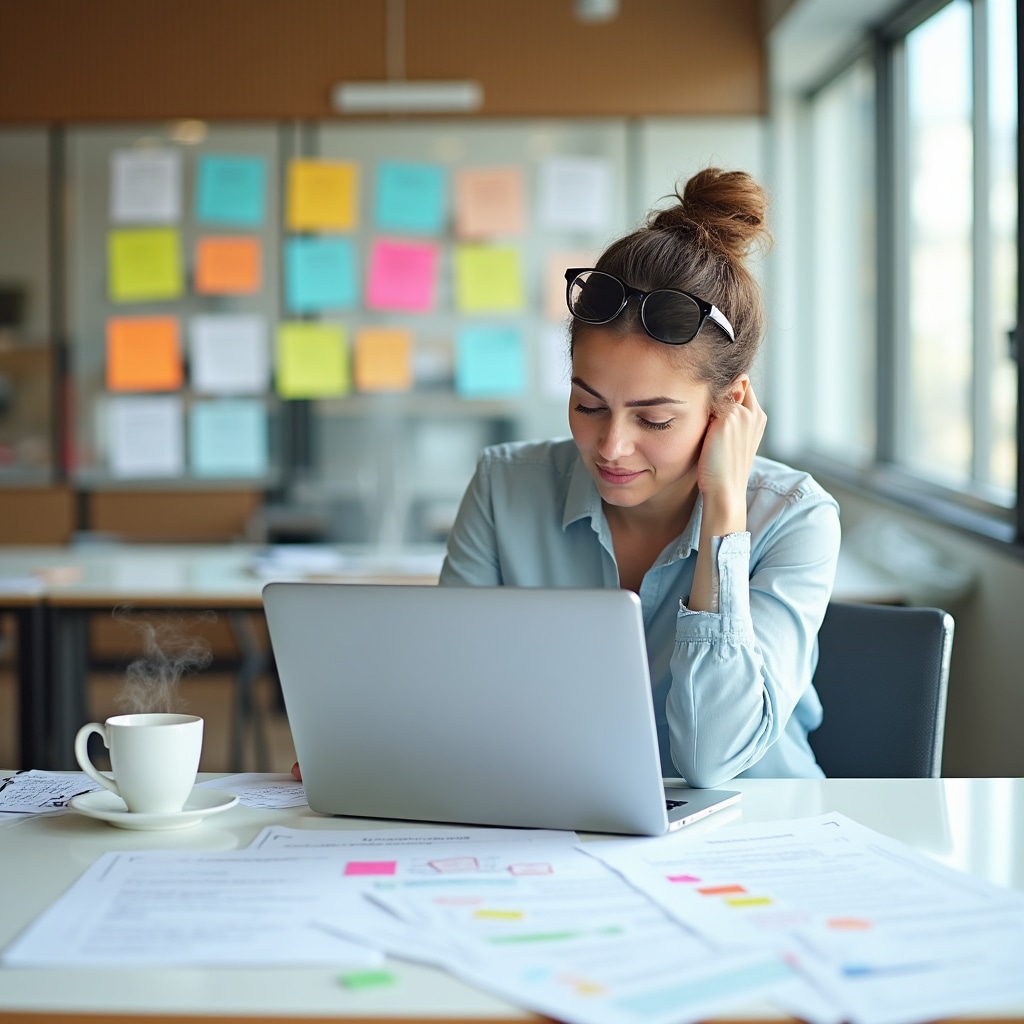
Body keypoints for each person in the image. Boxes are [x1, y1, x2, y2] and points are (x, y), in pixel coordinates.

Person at [437, 168, 841, 789]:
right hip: (568, 818)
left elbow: (713, 757)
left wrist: (725, 515)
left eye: (654, 419)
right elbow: (453, 694)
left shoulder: (794, 517)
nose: (611, 447)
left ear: (729, 406)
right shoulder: (504, 486)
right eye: (588, 405)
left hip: (756, 834)